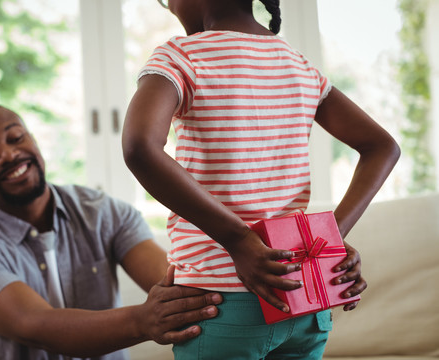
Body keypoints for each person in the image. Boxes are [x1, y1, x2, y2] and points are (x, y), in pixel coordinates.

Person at [122, 0, 400, 359]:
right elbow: (383, 147)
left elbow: (139, 146)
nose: (169, 7)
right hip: (302, 299)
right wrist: (327, 241)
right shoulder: (296, 64)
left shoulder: (181, 55)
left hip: (219, 302)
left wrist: (238, 240)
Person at [0, 104, 223, 360]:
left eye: (16, 138)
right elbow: (36, 326)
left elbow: (177, 285)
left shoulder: (103, 212)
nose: (7, 154)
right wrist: (144, 320)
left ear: (34, 142)